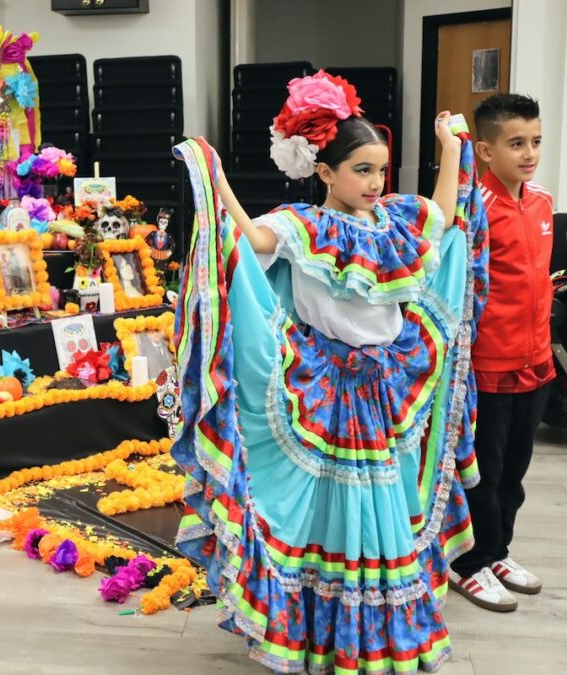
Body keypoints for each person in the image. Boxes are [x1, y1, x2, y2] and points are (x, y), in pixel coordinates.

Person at [170, 71, 489, 673]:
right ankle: (322, 637)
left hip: (385, 388)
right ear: (325, 172)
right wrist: (216, 182)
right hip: (324, 387)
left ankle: (376, 637)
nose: (374, 182)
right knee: (324, 513)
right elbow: (251, 237)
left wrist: (450, 151)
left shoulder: (393, 222)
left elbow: (442, 217)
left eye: (381, 170)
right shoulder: (302, 225)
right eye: (361, 170)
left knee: (383, 510)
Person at [447, 94, 552, 613]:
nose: (529, 152)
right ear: (485, 151)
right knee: (482, 474)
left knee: (514, 473)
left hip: (536, 363)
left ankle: (499, 551)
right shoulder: (473, 211)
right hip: (487, 368)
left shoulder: (543, 203)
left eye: (535, 141)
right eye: (516, 143)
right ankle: (469, 563)